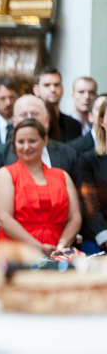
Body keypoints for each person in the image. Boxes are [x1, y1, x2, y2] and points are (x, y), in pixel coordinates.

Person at [0, 119, 81, 254]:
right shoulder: (6, 174)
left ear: (45, 140)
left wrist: (61, 245)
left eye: (32, 141)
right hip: (15, 249)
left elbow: (75, 218)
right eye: (20, 142)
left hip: (56, 248)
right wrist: (37, 247)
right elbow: (3, 219)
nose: (26, 147)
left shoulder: (62, 176)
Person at [0, 95, 78, 201]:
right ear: (14, 122)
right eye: (23, 115)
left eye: (34, 114)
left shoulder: (67, 152)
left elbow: (78, 198)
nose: (29, 119)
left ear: (47, 120)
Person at [76, 100, 107, 254]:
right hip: (99, 241)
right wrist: (105, 236)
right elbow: (89, 203)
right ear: (101, 121)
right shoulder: (88, 159)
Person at [32, 67, 82, 143]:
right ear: (36, 90)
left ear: (62, 88)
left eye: (56, 85)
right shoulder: (30, 123)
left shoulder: (74, 125)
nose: (52, 89)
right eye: (47, 85)